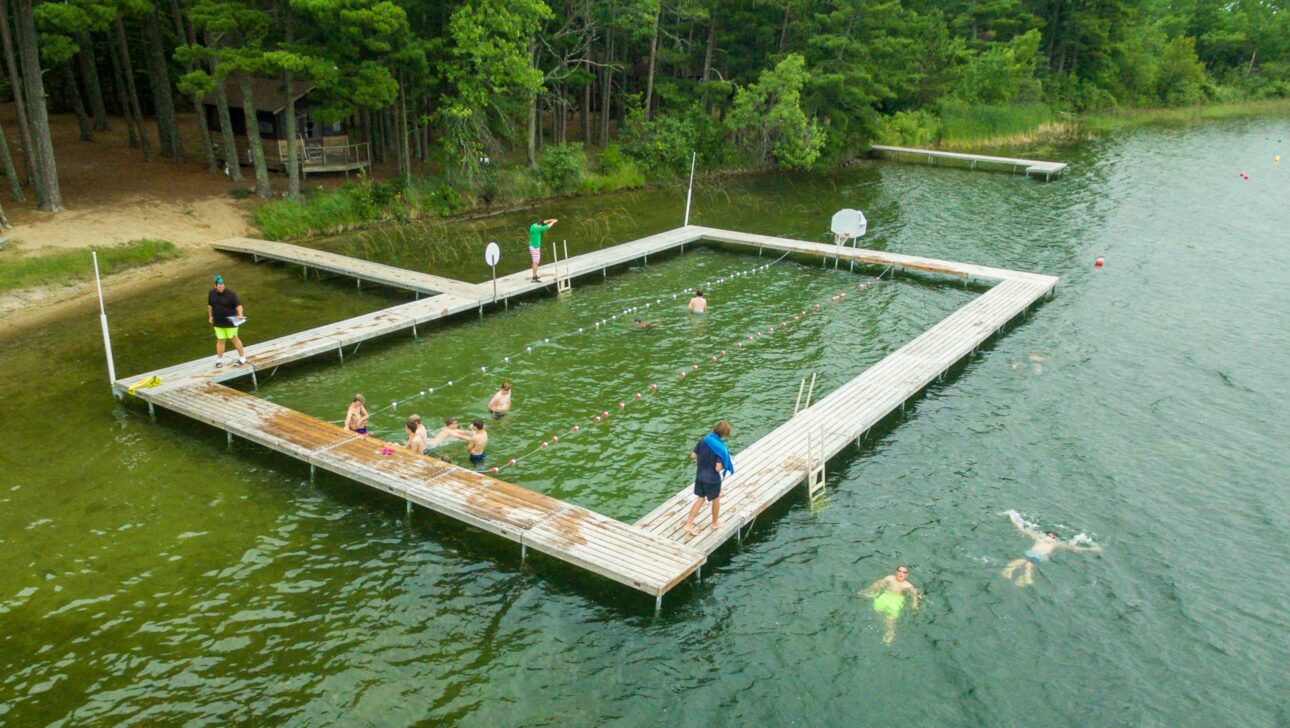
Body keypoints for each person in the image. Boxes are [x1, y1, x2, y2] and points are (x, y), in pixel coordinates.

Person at [1001, 511, 1102, 587]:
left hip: (1039, 556)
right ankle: (1022, 575)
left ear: (1056, 540)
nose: (1051, 538)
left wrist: (1091, 549)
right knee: (1027, 563)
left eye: (1053, 538)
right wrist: (1012, 519)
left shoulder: (1056, 544)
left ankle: (1020, 574)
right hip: (1033, 553)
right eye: (1049, 536)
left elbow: (1074, 548)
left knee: (1027, 563)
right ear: (1045, 535)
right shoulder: (1038, 538)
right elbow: (1022, 529)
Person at [683, 420, 734, 536]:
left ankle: (688, 524)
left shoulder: (704, 440)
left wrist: (704, 459)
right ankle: (715, 523)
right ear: (724, 434)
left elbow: (693, 456)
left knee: (700, 499)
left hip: (700, 475)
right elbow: (717, 468)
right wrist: (725, 463)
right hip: (712, 479)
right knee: (715, 499)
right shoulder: (720, 448)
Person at [863, 566, 921, 644]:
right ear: (896, 572)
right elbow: (878, 583)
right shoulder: (890, 578)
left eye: (904, 572)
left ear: (907, 575)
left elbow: (914, 595)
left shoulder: (907, 585)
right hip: (885, 596)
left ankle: (890, 631)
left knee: (891, 618)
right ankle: (881, 623)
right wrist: (870, 590)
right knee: (876, 609)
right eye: (899, 571)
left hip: (896, 600)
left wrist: (915, 603)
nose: (901, 573)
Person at [207, 275, 247, 368]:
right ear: (215, 286)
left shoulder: (230, 294)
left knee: (234, 338)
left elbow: (239, 306)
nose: (221, 288)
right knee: (220, 340)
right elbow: (210, 306)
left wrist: (240, 314)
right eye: (219, 286)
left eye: (223, 286)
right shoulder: (211, 293)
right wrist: (210, 316)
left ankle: (242, 358)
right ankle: (219, 360)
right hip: (218, 322)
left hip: (230, 322)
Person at [528, 217, 558, 282]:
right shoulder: (537, 228)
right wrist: (553, 222)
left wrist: (550, 220)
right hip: (534, 248)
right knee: (535, 262)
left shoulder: (533, 225)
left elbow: (543, 222)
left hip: (534, 247)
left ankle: (535, 276)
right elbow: (547, 227)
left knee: (536, 262)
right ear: (540, 225)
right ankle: (534, 277)